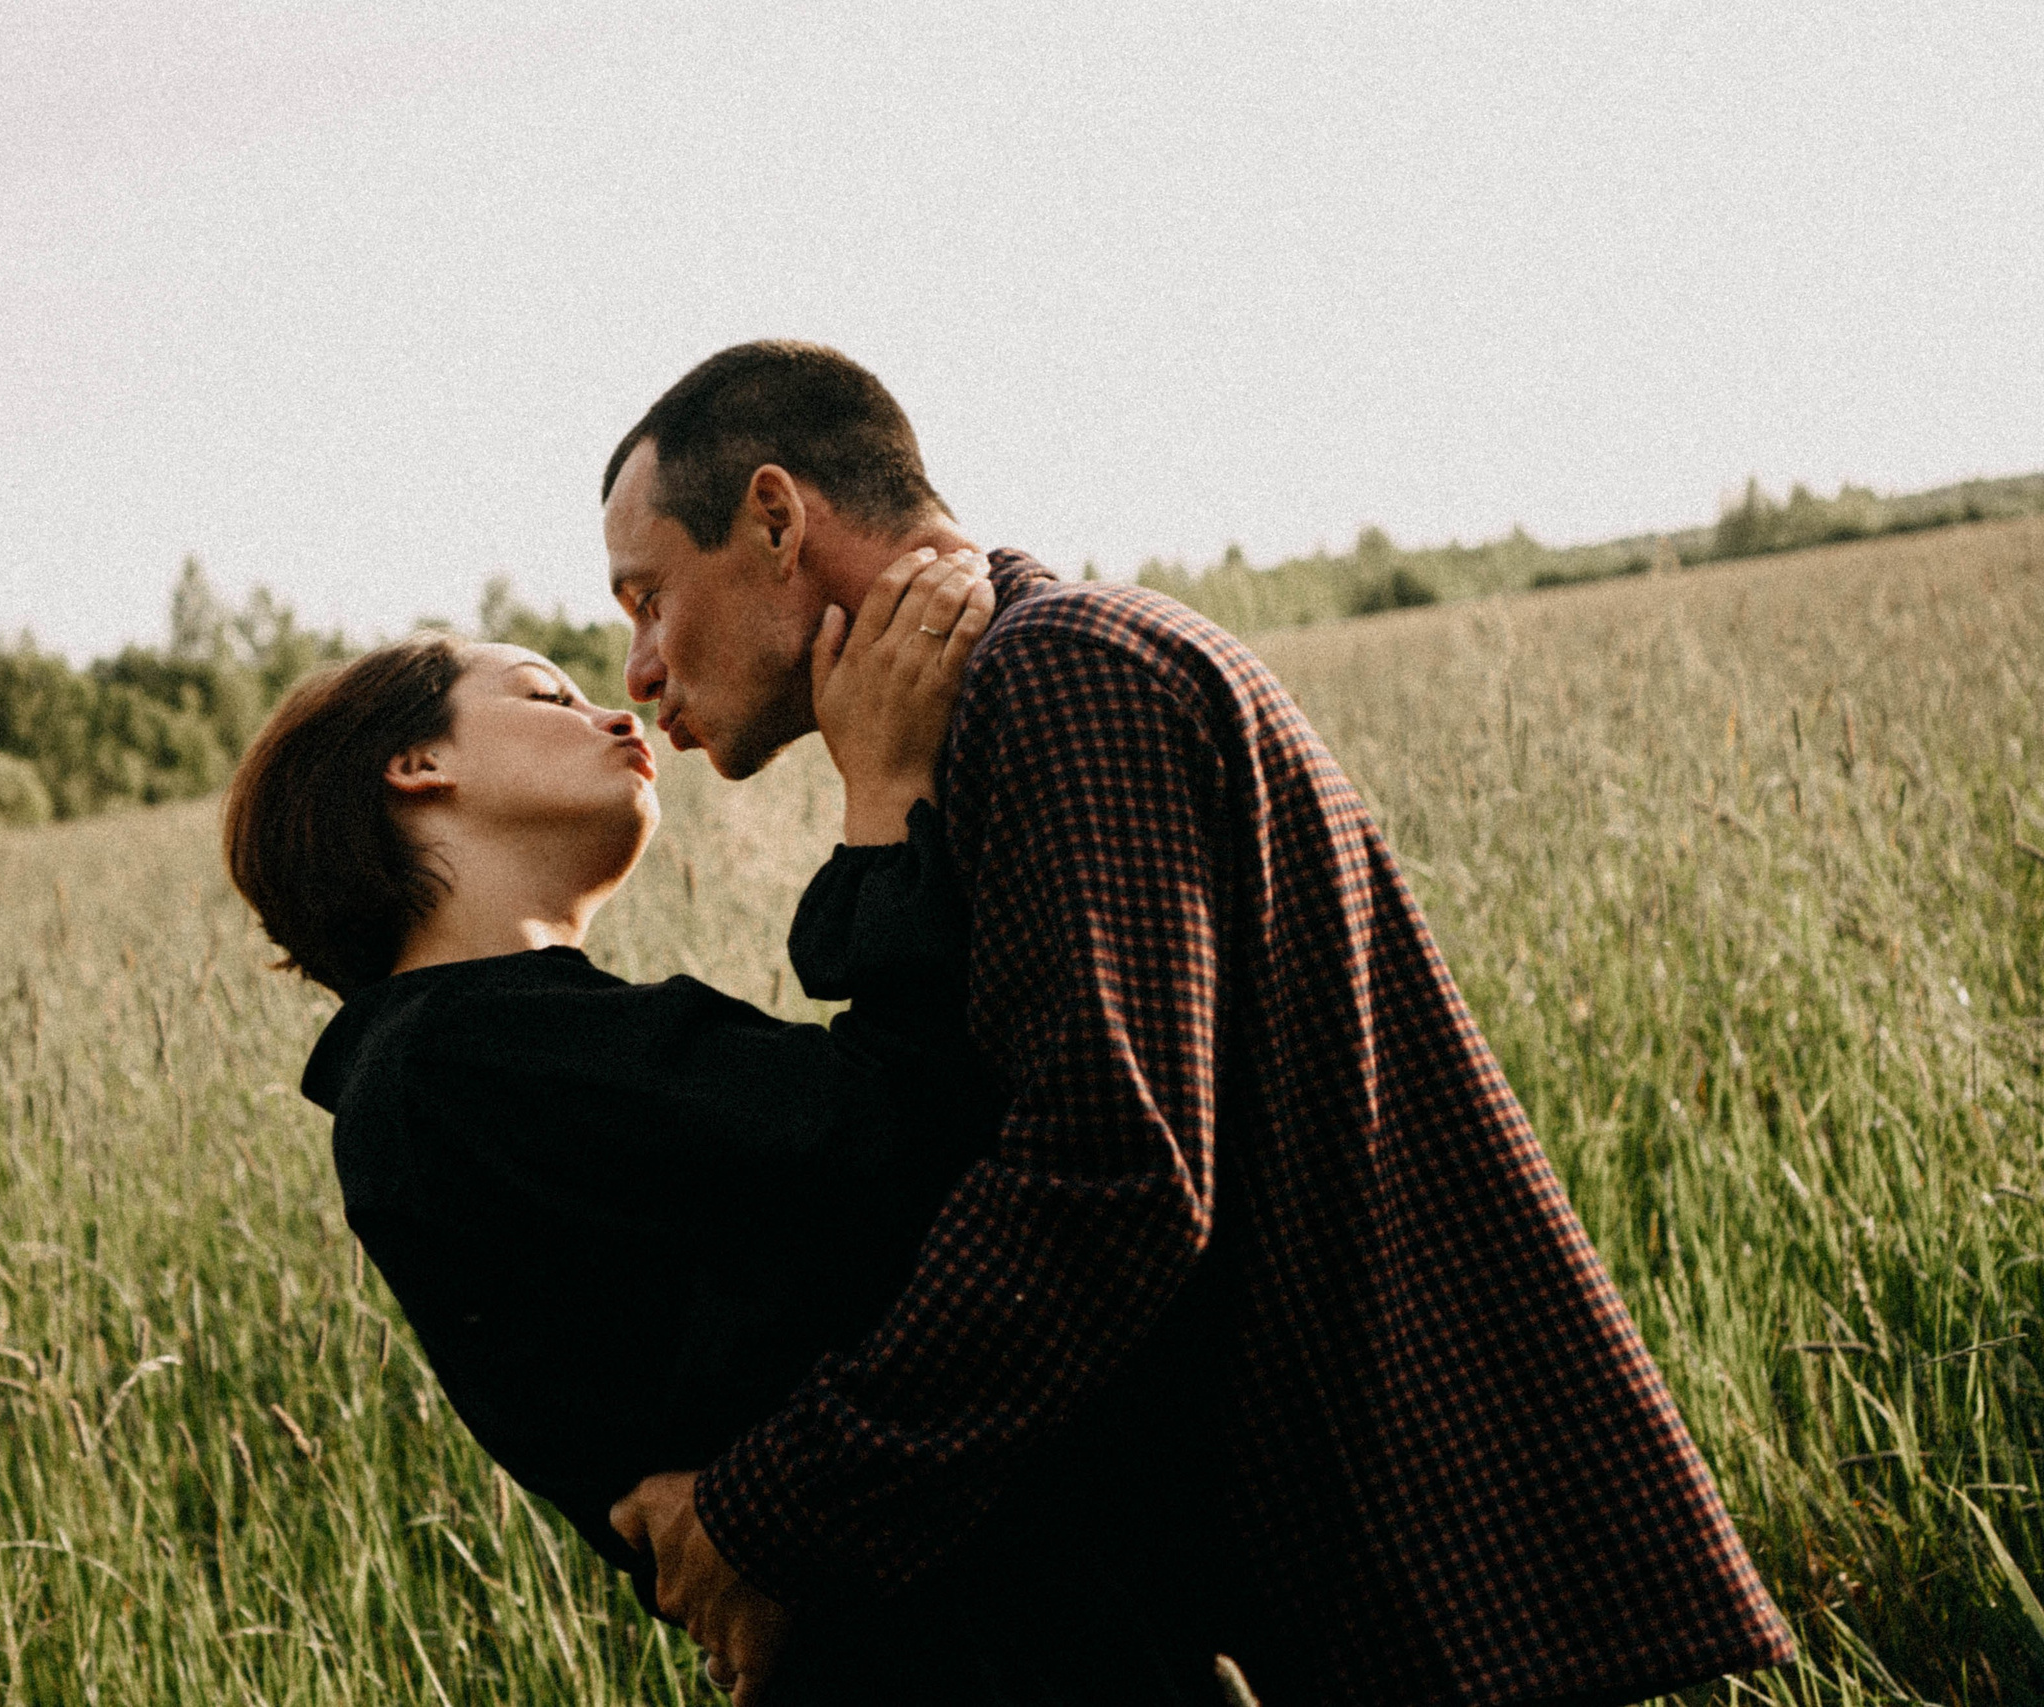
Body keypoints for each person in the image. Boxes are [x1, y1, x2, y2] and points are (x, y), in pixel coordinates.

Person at [600, 341, 1799, 1706]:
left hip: (1398, 1576)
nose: (637, 669)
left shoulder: (1062, 677)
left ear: (773, 516)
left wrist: (771, 1507)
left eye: (647, 597)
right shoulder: (1029, 685)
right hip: (1348, 1565)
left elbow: (1113, 1171)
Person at [230, 554, 1206, 1700]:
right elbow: (917, 1142)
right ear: (417, 764)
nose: (615, 706)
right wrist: (887, 797)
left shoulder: (454, 1062)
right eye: (546, 693)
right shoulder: (463, 1059)